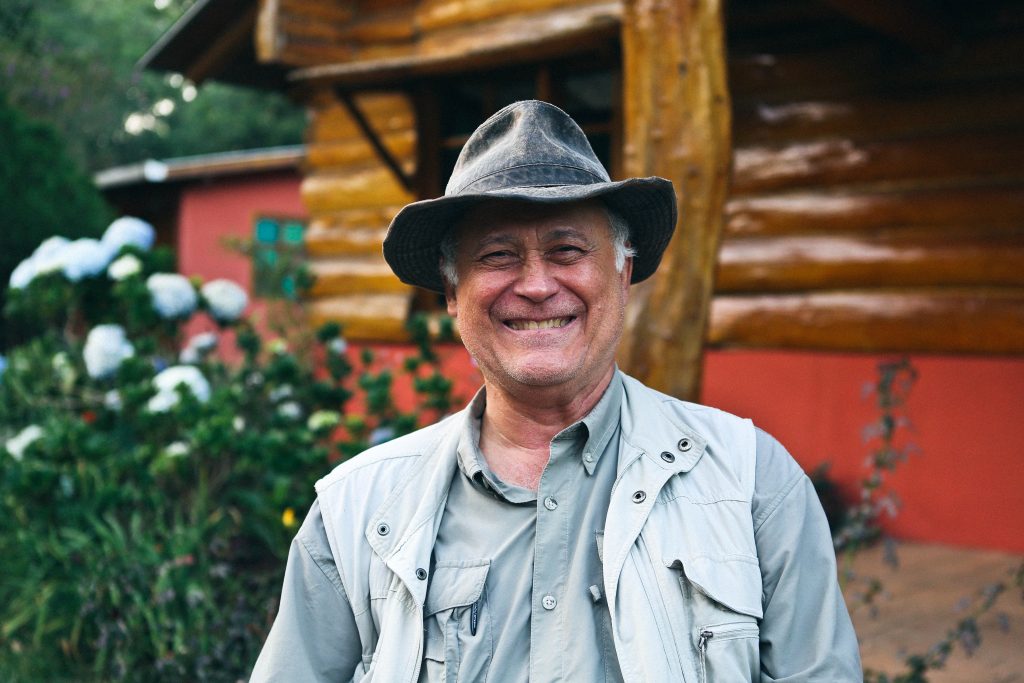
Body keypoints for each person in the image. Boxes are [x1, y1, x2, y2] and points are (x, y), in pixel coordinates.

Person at [251, 100, 862, 682]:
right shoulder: (356, 512)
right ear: (452, 292)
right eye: (497, 255)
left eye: (567, 250)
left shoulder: (753, 483)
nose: (537, 285)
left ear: (622, 273)